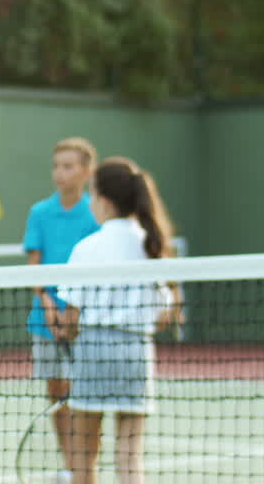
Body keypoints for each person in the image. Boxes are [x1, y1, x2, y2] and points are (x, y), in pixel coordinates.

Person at [56, 157, 183, 484]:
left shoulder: (86, 248)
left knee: (84, 460)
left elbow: (71, 317)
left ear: (104, 201)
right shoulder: (152, 244)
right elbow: (166, 314)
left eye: (93, 195)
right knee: (130, 458)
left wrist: (66, 331)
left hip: (93, 352)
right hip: (135, 353)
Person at [23, 136, 100, 482]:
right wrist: (49, 306)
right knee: (57, 395)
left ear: (86, 172)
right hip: (45, 320)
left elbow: (96, 266)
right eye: (56, 166)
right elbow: (34, 266)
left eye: (68, 166)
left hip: (85, 319)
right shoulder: (39, 213)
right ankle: (70, 466)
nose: (59, 173)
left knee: (86, 398)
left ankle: (85, 465)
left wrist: (72, 313)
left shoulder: (95, 213)